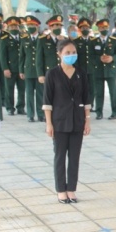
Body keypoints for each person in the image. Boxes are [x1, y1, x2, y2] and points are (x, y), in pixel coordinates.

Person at [42, 39, 91, 203]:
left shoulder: (81, 73)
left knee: (75, 157)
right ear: (59, 54)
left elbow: (86, 98)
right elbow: (47, 101)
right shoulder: (53, 74)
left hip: (77, 120)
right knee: (60, 156)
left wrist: (87, 120)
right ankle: (61, 190)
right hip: (59, 121)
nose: (71, 55)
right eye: (67, 53)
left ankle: (71, 189)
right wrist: (49, 124)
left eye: (73, 52)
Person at [91, 19, 116, 120]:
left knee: (113, 92)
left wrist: (112, 58)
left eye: (106, 28)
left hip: (110, 70)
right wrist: (98, 58)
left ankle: (115, 112)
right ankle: (99, 112)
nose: (104, 29)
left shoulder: (113, 40)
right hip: (98, 70)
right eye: (102, 28)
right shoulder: (94, 41)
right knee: (98, 93)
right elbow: (90, 56)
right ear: (98, 29)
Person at [0, 16, 26, 116]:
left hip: (21, 69)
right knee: (9, 89)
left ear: (18, 27)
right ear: (8, 28)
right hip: (10, 68)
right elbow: (2, 56)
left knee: (22, 89)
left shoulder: (23, 38)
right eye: (11, 26)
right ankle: (10, 108)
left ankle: (21, 107)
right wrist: (5, 68)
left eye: (15, 26)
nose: (14, 28)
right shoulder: (5, 39)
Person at [19, 15, 43, 122]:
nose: (30, 27)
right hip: (28, 69)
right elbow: (22, 56)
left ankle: (41, 114)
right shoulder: (24, 39)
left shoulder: (42, 38)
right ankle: (30, 114)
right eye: (28, 25)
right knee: (29, 93)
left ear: (37, 26)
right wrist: (21, 70)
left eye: (32, 25)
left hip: (39, 71)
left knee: (40, 93)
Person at [74, 18, 96, 110]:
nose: (85, 29)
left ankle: (90, 105)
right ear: (79, 29)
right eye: (82, 28)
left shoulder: (94, 40)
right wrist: (76, 69)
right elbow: (75, 56)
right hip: (81, 68)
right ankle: (82, 104)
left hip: (92, 68)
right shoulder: (76, 41)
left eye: (86, 27)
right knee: (81, 88)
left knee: (92, 88)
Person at [36, 15, 64, 85]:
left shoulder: (64, 40)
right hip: (48, 73)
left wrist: (62, 42)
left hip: (62, 72)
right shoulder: (43, 40)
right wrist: (40, 74)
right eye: (56, 25)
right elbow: (39, 58)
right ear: (50, 27)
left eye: (60, 26)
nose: (59, 27)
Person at [0, 13, 6, 110]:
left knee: (3, 84)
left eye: (0, 22)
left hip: (2, 63)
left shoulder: (5, 35)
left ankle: (3, 100)